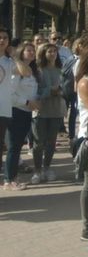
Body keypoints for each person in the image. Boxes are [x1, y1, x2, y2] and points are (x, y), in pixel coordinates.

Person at [4, 43, 39, 191]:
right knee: (13, 146)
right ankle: (9, 180)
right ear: (21, 52)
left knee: (17, 147)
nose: (31, 53)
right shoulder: (16, 70)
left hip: (26, 112)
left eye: (33, 50)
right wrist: (26, 102)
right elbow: (9, 94)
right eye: (28, 50)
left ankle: (12, 177)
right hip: (16, 111)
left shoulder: (33, 70)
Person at [30, 43, 65, 184]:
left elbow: (67, 88)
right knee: (38, 142)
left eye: (54, 51)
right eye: (49, 51)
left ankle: (47, 168)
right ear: (43, 53)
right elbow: (34, 91)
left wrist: (61, 91)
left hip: (56, 110)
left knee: (51, 142)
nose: (52, 54)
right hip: (40, 109)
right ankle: (37, 170)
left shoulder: (60, 69)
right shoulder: (38, 70)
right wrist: (50, 91)